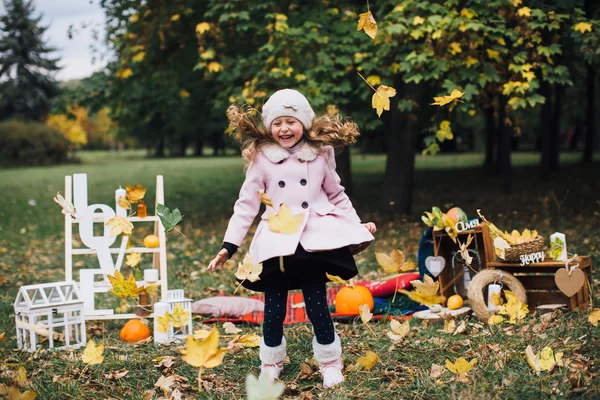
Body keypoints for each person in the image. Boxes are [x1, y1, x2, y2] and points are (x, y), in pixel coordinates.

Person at [207, 89, 376, 389]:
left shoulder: (320, 153)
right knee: (273, 309)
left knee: (317, 305)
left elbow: (336, 194)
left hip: (312, 243)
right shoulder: (262, 158)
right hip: (277, 242)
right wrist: (228, 246)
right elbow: (246, 204)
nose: (284, 128)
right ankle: (271, 363)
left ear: (304, 123)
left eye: (291, 121)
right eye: (277, 123)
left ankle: (330, 362)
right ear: (269, 127)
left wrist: (356, 226)